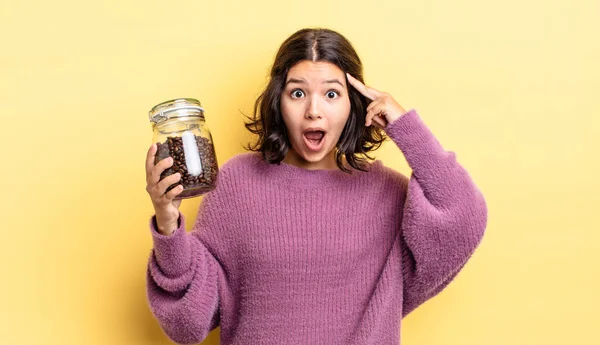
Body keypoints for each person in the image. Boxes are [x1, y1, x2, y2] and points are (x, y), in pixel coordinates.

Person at [144, 28, 487, 345]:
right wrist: (167, 223)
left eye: (332, 94)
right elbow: (187, 324)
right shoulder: (237, 183)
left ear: (354, 104)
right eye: (297, 93)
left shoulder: (387, 194)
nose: (313, 111)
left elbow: (464, 218)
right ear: (279, 101)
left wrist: (404, 126)